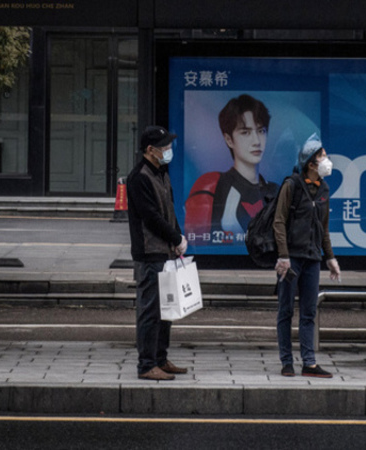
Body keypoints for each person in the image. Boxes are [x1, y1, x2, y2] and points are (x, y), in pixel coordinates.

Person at [273, 133, 341, 378]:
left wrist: (330, 257)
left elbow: (323, 227)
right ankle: (286, 361)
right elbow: (279, 222)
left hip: (312, 258)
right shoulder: (291, 185)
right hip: (291, 259)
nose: (327, 159)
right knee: (286, 310)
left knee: (309, 311)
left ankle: (309, 363)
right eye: (323, 156)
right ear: (311, 163)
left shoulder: (324, 188)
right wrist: (283, 255)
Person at [127, 125, 189, 381]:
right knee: (150, 312)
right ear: (150, 150)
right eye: (164, 147)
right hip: (150, 253)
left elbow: (169, 210)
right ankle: (146, 364)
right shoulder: (139, 177)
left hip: (166, 253)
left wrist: (178, 237)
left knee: (167, 310)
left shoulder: (161, 173)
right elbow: (151, 217)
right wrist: (174, 237)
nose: (169, 150)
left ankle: (160, 359)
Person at [185, 94, 278, 245]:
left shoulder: (275, 191)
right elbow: (197, 242)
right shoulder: (212, 185)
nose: (256, 141)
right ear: (228, 139)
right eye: (245, 132)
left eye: (261, 131)